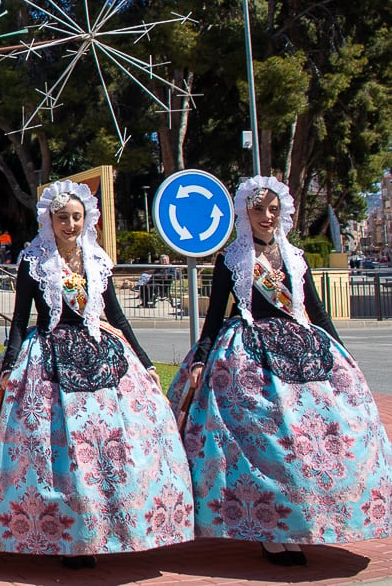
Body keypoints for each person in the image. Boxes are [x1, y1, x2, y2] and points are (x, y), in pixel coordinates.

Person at [168, 175, 392, 566]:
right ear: (244, 213)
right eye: (259, 210)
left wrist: (342, 354)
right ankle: (270, 530)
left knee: (310, 442)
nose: (267, 217)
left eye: (273, 210)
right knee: (269, 444)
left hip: (301, 350)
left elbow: (316, 312)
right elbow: (216, 317)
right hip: (249, 355)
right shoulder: (232, 259)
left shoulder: (295, 258)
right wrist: (202, 359)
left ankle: (301, 522)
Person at [0, 180, 193, 569]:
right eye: (63, 218)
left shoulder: (96, 259)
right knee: (57, 450)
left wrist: (143, 361)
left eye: (77, 217)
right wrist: (8, 369)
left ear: (86, 219)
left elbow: (118, 316)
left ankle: (107, 530)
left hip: (102, 353)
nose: (70, 224)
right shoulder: (34, 260)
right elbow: (21, 320)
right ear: (50, 220)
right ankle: (66, 535)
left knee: (107, 447)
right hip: (47, 358)